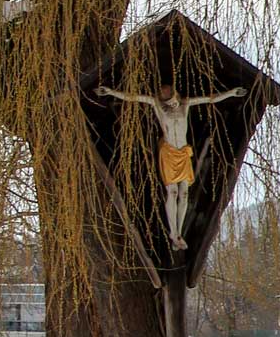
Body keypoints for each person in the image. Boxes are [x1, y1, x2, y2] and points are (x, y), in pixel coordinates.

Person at [94, 83, 248, 250]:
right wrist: (111, 91)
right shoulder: (158, 107)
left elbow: (210, 99)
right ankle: (173, 232)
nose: (172, 103)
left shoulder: (185, 105)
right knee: (172, 192)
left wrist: (232, 92)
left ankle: (178, 232)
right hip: (168, 153)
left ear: (177, 96)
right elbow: (134, 97)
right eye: (168, 101)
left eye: (173, 99)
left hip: (182, 153)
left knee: (184, 192)